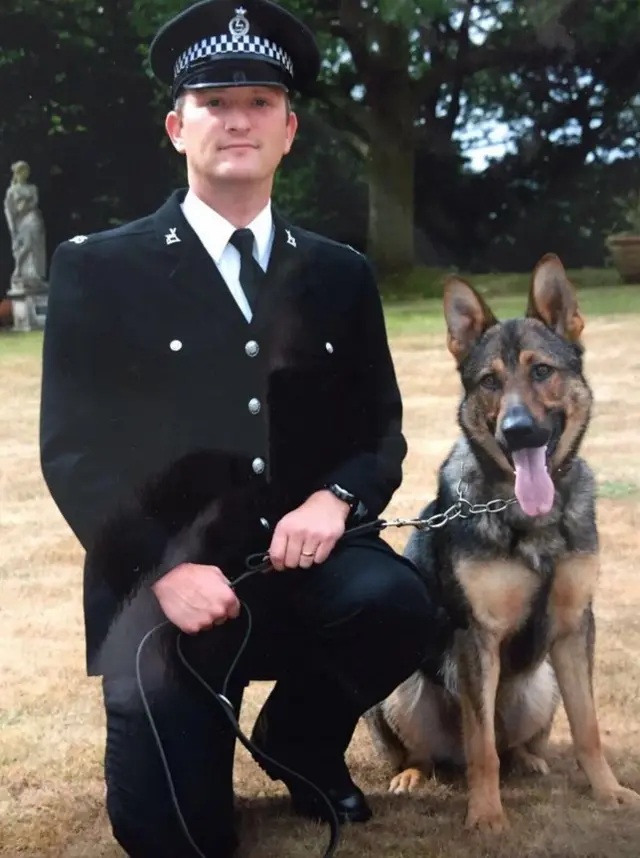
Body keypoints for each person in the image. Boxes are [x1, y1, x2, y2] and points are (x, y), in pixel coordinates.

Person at [39, 1, 443, 856]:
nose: (236, 118)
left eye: (259, 101)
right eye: (214, 100)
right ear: (176, 125)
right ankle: (196, 742)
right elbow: (74, 453)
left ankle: (300, 740)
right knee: (176, 838)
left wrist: (338, 499)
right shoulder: (96, 270)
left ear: (289, 130)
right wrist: (161, 569)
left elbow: (381, 430)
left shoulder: (340, 273)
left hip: (307, 573)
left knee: (401, 603)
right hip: (168, 593)